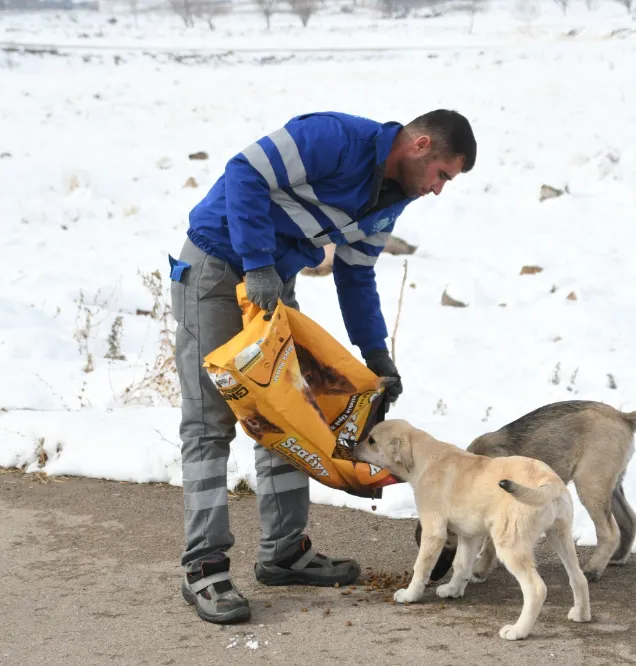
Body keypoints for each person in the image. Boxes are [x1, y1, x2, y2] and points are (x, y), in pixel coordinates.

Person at [167, 109, 477, 624]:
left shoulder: (390, 198)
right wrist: (259, 261)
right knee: (210, 423)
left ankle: (284, 552)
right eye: (443, 174)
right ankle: (204, 566)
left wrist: (375, 353)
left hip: (272, 281)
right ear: (421, 145)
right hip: (218, 271)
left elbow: (356, 272)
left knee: (289, 415)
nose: (439, 189)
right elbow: (244, 171)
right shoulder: (333, 137)